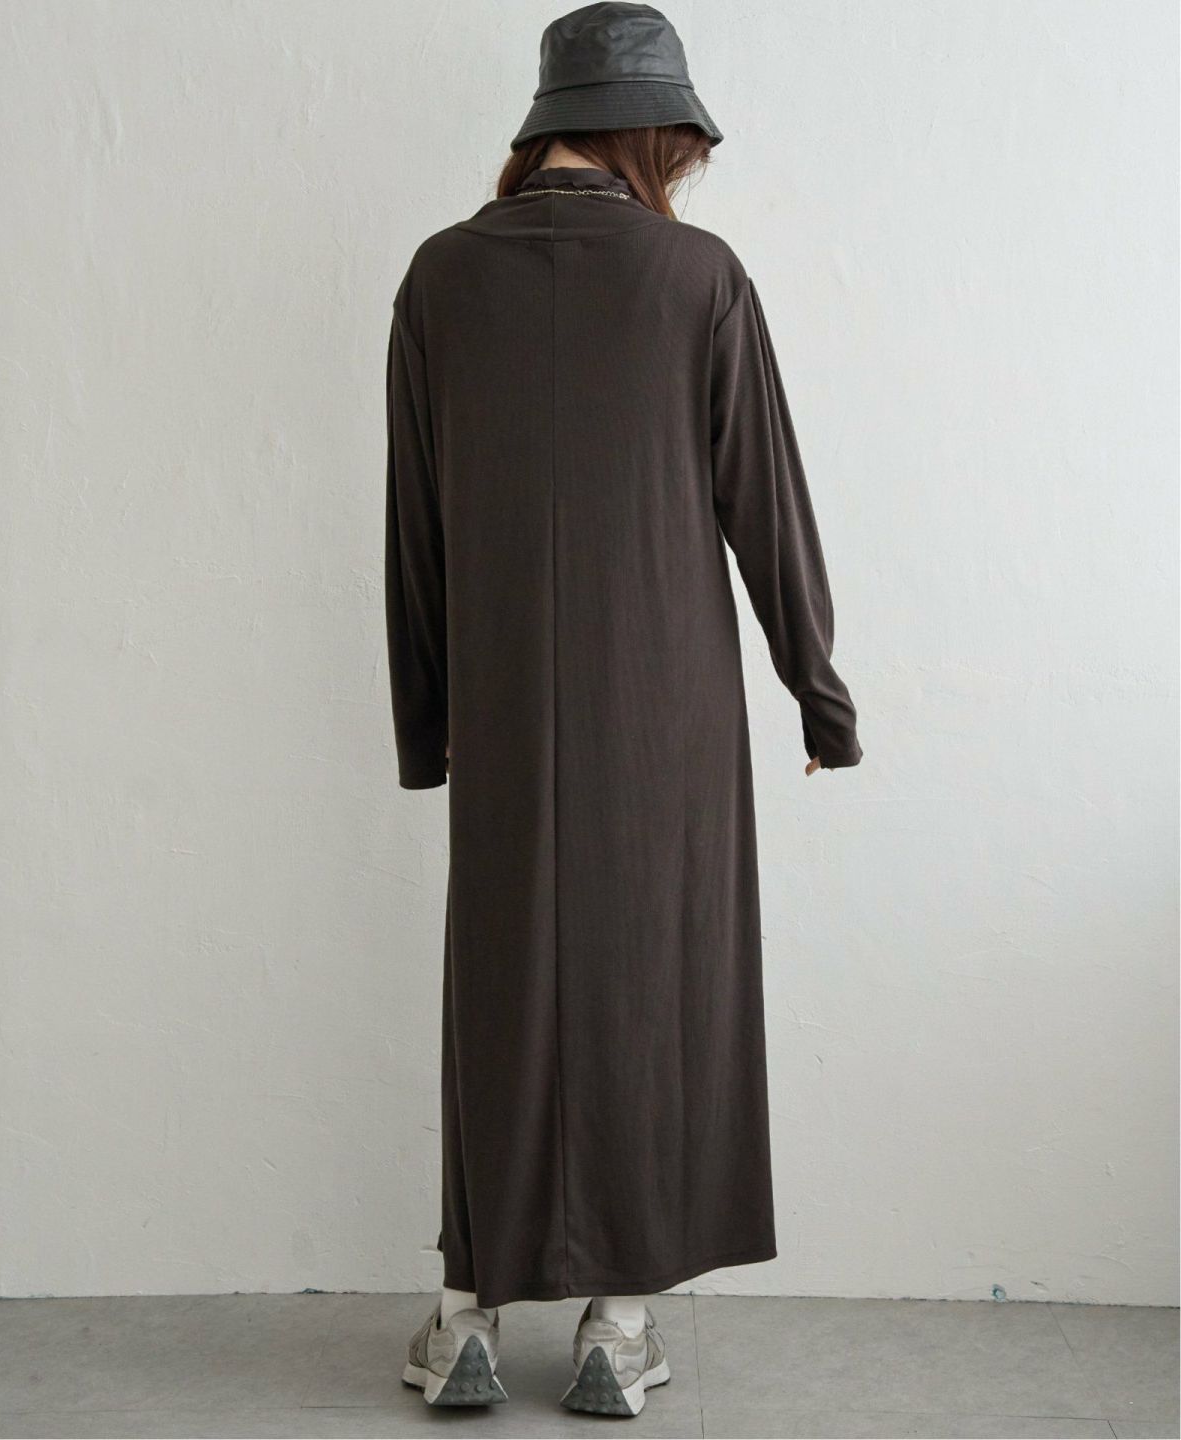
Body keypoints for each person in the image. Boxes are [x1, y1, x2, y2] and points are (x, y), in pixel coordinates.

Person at [385, 0, 863, 1418]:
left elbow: (415, 528)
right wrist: (819, 695)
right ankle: (617, 1319)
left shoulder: (439, 277)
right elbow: (767, 504)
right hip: (668, 710)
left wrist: (426, 721)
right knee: (655, 987)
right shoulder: (699, 278)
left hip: (505, 709)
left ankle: (466, 1314)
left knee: (503, 982)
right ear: (653, 133)